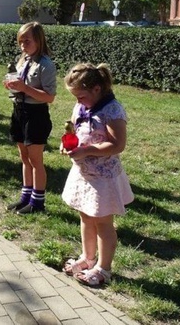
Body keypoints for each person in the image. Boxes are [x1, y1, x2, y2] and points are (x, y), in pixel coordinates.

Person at [60, 63, 133, 287]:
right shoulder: (82, 106)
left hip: (103, 177)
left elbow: (117, 144)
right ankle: (87, 257)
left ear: (97, 89)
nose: (78, 101)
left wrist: (88, 150)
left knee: (103, 223)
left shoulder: (112, 111)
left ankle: (104, 268)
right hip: (85, 173)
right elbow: (73, 129)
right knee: (85, 215)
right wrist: (67, 144)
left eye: (81, 96)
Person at [4, 22, 57, 214]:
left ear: (39, 40)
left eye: (27, 40)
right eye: (20, 41)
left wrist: (24, 88)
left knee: (36, 160)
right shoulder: (24, 61)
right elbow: (21, 85)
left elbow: (49, 97)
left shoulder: (46, 65)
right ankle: (25, 197)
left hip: (36, 114)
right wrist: (12, 87)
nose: (22, 45)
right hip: (19, 111)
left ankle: (38, 202)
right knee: (24, 157)